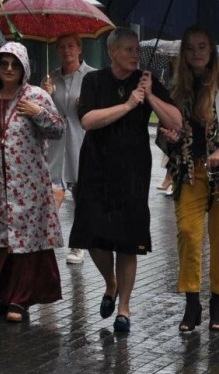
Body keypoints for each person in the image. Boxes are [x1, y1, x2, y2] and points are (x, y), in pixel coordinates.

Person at [69, 28, 183, 334]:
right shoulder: (94, 81)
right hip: (96, 166)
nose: (135, 55)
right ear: (113, 52)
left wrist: (150, 98)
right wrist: (129, 105)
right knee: (92, 235)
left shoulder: (147, 81)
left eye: (137, 49)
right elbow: (88, 120)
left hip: (132, 168)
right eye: (129, 50)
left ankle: (124, 308)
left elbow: (175, 122)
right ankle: (110, 282)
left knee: (128, 240)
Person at [157, 26, 219, 333]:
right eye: (190, 48)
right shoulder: (176, 85)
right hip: (190, 170)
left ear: (212, 50)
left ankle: (216, 302)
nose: (196, 53)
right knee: (188, 232)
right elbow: (167, 137)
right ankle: (191, 303)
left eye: (202, 47)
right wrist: (169, 137)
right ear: (183, 53)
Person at [0, 42, 65, 323]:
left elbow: (58, 130)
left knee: (26, 243)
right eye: (4, 63)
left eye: (15, 64)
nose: (9, 69)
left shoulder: (37, 96)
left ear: (24, 68)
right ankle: (4, 294)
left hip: (29, 185)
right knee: (1, 241)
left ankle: (21, 301)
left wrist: (38, 113)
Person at [41, 33, 95, 263]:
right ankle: (44, 243)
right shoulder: (50, 78)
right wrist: (45, 95)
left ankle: (77, 244)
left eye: (71, 46)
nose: (67, 51)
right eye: (61, 47)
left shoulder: (92, 76)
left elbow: (99, 108)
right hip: (55, 145)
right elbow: (41, 114)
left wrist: (86, 104)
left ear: (80, 48)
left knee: (81, 196)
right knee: (52, 195)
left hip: (81, 141)